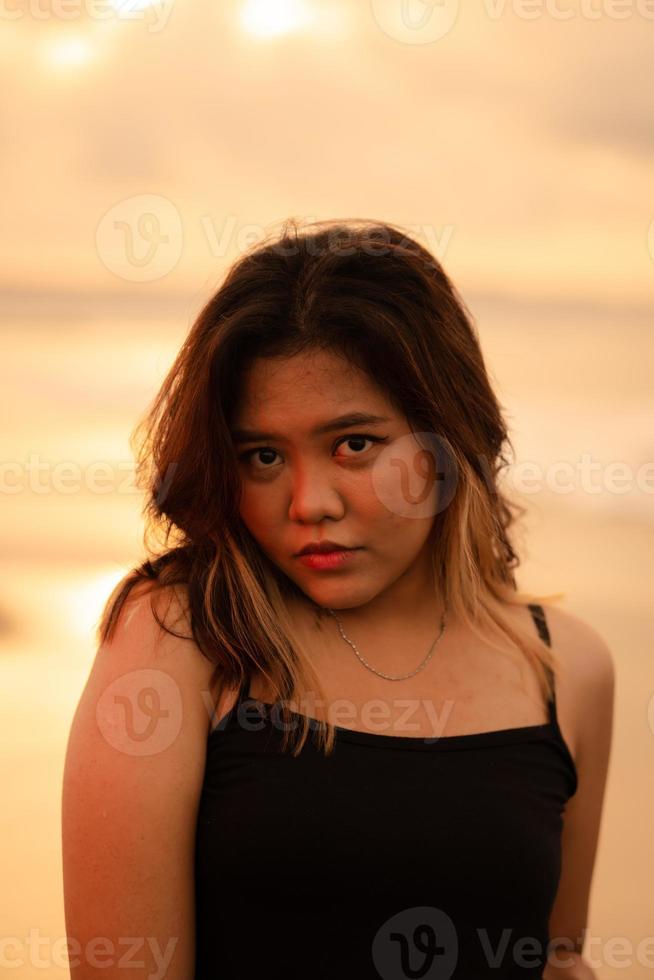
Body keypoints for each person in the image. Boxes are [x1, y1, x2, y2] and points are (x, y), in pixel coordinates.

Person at [61, 219, 614, 979]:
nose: (308, 502)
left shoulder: (564, 668)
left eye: (354, 444)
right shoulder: (179, 641)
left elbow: (556, 956)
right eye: (262, 456)